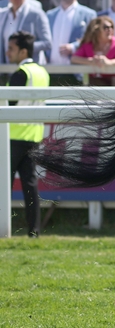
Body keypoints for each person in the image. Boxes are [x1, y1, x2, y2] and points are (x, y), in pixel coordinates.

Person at [5, 31, 50, 237]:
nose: (7, 52)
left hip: (12, 137)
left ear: (23, 51)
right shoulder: (42, 72)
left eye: (11, 48)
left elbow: (8, 104)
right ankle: (34, 231)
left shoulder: (20, 73)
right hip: (33, 136)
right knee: (30, 187)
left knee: (3, 185)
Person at [46, 0, 97, 66]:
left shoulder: (89, 14)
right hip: (51, 68)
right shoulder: (50, 15)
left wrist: (73, 47)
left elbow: (93, 38)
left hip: (76, 69)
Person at [0, 0, 52, 65]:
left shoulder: (36, 14)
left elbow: (47, 43)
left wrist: (23, 48)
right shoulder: (2, 15)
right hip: (6, 69)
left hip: (28, 69)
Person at [71, 16, 115, 86]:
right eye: (106, 27)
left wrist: (110, 62)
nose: (110, 29)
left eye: (112, 27)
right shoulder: (88, 44)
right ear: (97, 30)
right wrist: (92, 61)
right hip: (95, 84)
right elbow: (74, 59)